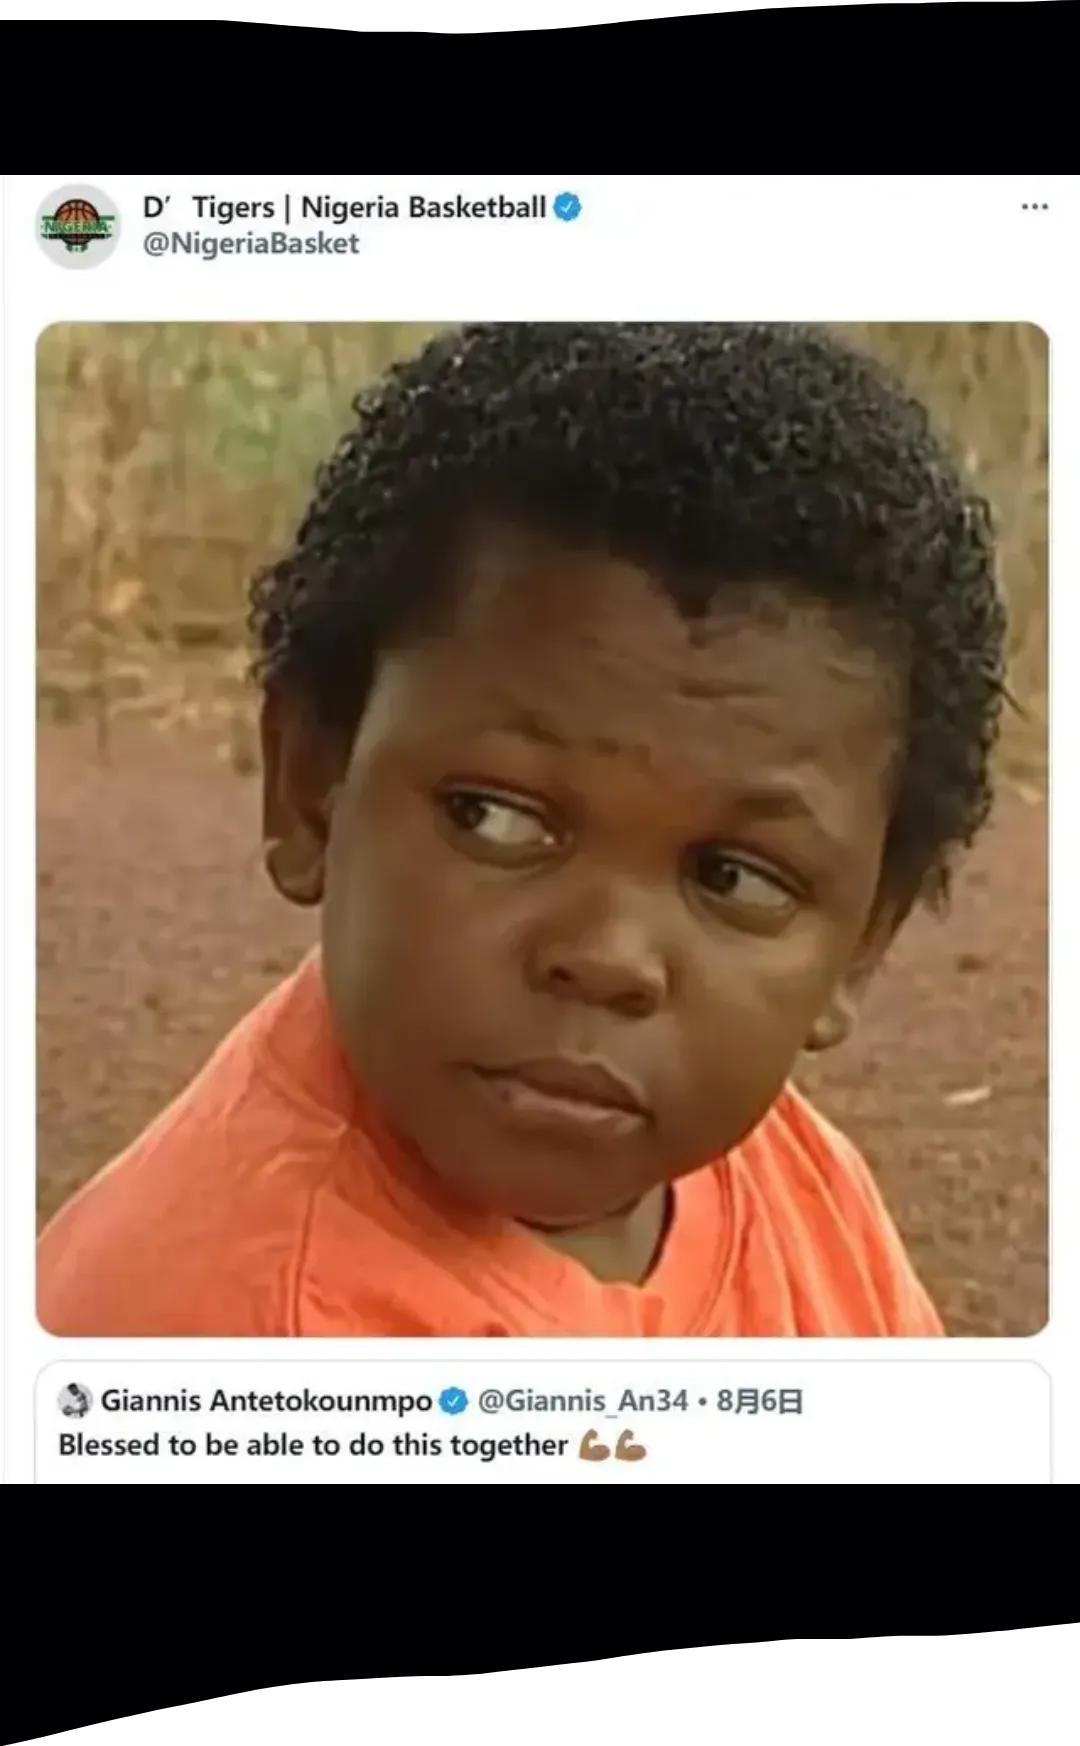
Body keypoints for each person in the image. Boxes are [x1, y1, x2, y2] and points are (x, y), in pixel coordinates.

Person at [37, 322, 1006, 1337]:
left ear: (860, 945)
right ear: (314, 785)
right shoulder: (245, 1335)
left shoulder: (799, 1188)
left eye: (735, 879)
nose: (606, 957)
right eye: (495, 818)